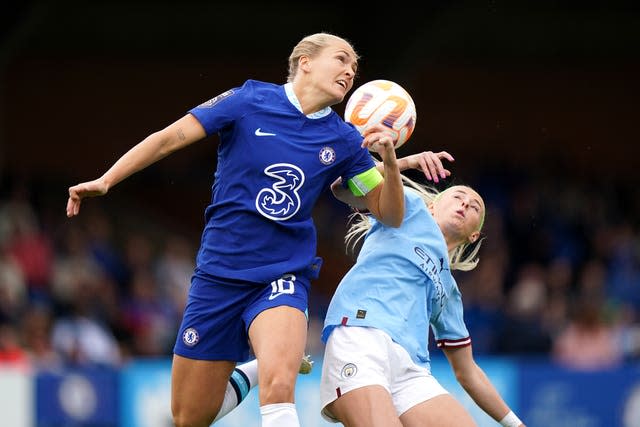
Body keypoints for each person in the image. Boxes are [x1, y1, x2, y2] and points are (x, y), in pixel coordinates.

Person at [66, 32, 446, 427]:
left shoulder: (346, 140)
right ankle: (253, 367)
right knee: (188, 417)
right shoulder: (248, 100)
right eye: (341, 59)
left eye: (355, 66)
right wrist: (107, 181)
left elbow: (389, 214)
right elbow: (168, 139)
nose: (350, 70)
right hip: (219, 273)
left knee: (279, 387)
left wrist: (387, 160)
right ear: (305, 61)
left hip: (282, 271)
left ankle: (274, 358)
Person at [320, 175, 526, 427]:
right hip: (362, 336)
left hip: (410, 368)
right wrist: (395, 162)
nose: (464, 204)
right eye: (457, 197)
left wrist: (515, 424)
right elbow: (341, 187)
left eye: (475, 207)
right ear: (432, 207)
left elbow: (468, 371)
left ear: (474, 235)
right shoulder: (408, 208)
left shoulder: (449, 289)